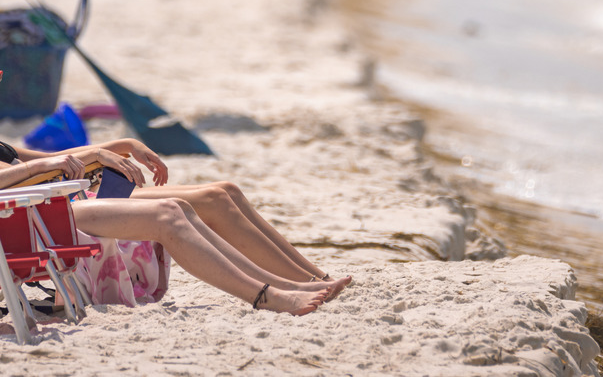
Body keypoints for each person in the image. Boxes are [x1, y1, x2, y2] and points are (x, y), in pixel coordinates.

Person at [0, 139, 351, 316]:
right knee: (168, 213)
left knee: (190, 203)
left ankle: (289, 283)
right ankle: (268, 296)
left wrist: (120, 146)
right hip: (29, 219)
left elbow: (51, 158)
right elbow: (40, 166)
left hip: (49, 209)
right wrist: (39, 168)